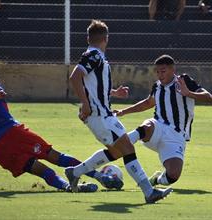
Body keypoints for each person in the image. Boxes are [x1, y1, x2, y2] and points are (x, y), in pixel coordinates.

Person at [65, 19, 172, 204]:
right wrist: (86, 104)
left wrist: (114, 93)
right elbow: (75, 77)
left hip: (103, 115)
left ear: (87, 38)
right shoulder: (94, 55)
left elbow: (92, 84)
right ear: (106, 38)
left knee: (115, 152)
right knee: (127, 148)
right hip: (99, 116)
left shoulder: (96, 56)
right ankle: (149, 192)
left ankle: (74, 172)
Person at [0, 70, 123, 193]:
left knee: (43, 172)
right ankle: (101, 177)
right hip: (14, 135)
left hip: (0, 151)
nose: (0, 83)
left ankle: (68, 187)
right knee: (57, 157)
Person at [114, 55, 212, 187]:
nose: (160, 75)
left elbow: (208, 97)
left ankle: (156, 180)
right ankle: (122, 143)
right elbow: (148, 103)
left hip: (176, 135)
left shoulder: (184, 80)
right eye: (158, 71)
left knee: (173, 175)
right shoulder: (157, 86)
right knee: (148, 126)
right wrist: (123, 111)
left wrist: (188, 93)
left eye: (163, 71)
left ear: (173, 70)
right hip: (158, 128)